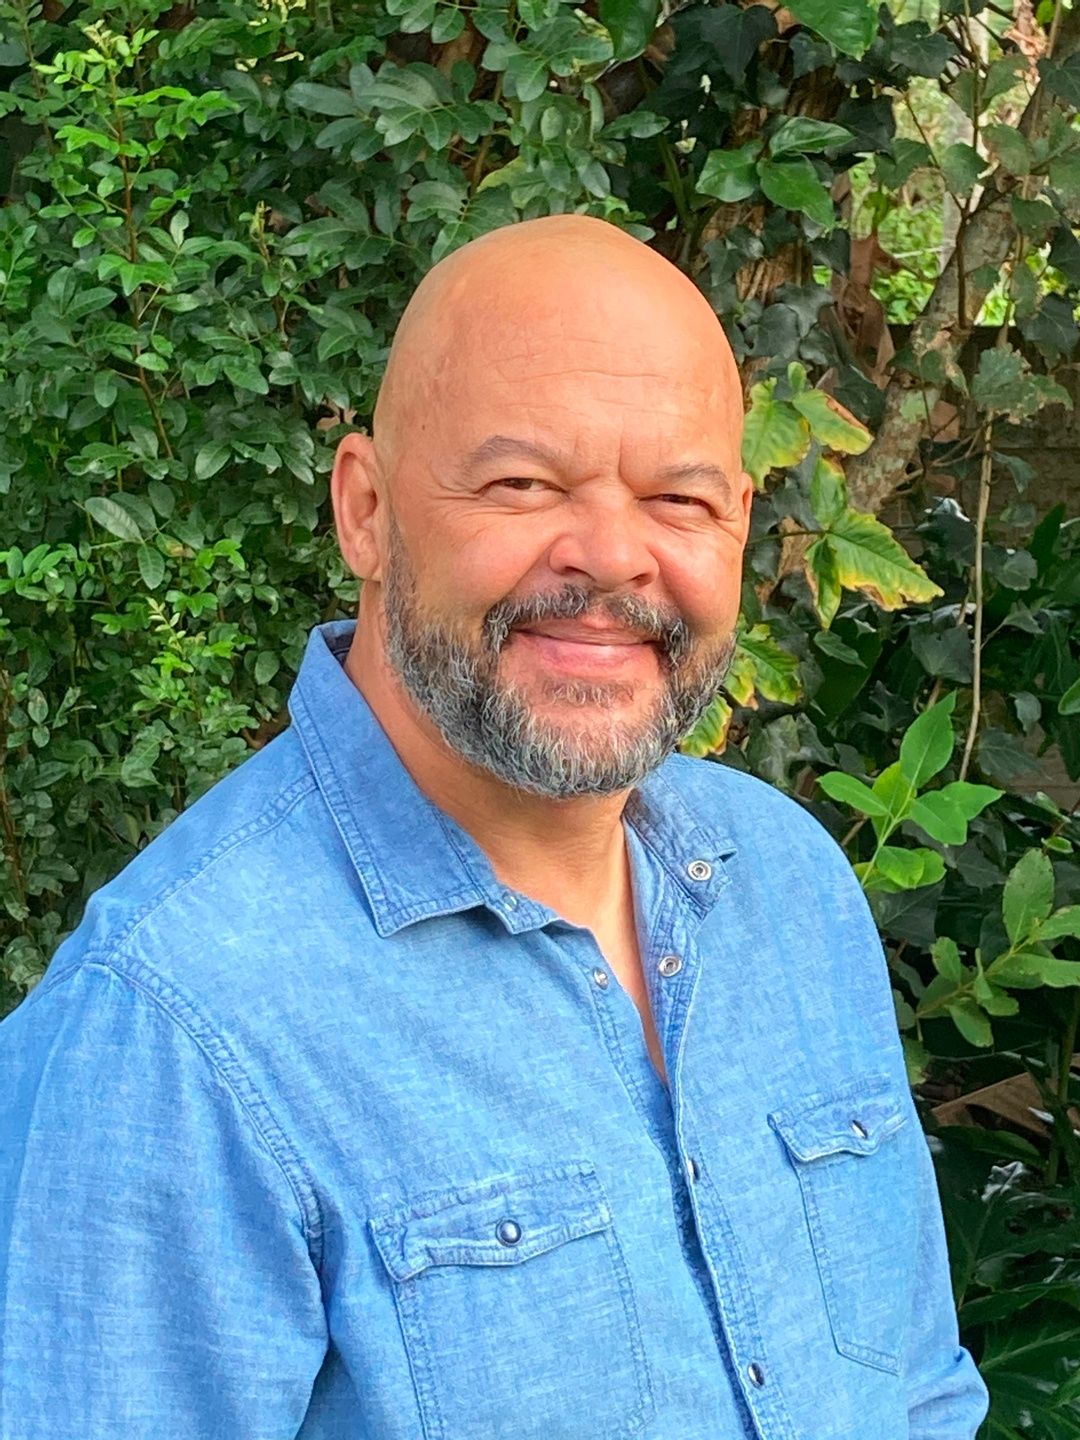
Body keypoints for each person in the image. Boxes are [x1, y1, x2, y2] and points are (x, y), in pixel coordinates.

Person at [0, 215, 988, 1440]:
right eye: (523, 484)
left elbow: (920, 1390)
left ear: (739, 520)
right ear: (365, 510)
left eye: (679, 499)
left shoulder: (790, 887)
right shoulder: (168, 1026)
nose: (613, 558)